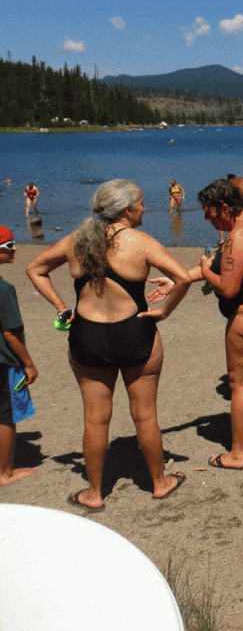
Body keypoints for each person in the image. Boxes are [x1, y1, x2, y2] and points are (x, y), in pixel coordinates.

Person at [26, 180, 191, 509]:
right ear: (127, 210)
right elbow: (183, 277)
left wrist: (62, 307)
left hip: (87, 335)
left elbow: (35, 269)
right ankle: (160, 483)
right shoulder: (141, 242)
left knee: (95, 419)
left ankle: (94, 493)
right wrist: (163, 312)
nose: (145, 208)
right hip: (135, 332)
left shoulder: (77, 240)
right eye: (141, 203)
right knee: (145, 415)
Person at [167, 180, 243, 469]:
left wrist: (205, 268)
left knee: (240, 382)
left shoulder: (240, 235)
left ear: (225, 208)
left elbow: (227, 287)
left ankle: (237, 455)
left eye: (209, 212)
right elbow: (233, 264)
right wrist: (178, 279)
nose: (206, 219)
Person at [1, 227, 40, 487]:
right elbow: (11, 333)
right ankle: (4, 472)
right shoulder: (4, 289)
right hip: (3, 362)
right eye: (8, 245)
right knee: (5, 416)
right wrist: (28, 364)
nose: (15, 248)